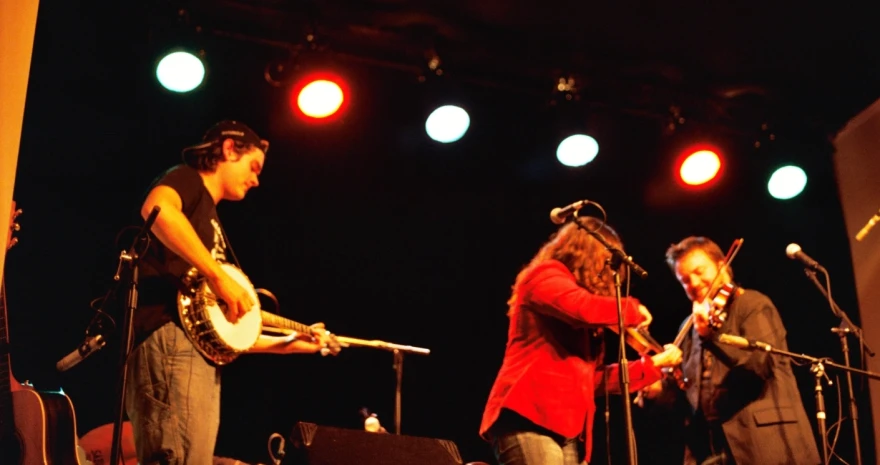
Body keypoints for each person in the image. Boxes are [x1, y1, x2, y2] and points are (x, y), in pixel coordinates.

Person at [124, 120, 336, 465]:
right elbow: (157, 210)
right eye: (253, 166)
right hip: (170, 343)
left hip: (194, 354)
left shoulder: (211, 221)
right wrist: (218, 278)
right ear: (227, 150)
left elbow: (225, 332)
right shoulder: (186, 179)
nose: (256, 179)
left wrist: (294, 344)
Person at [479, 217, 683, 465]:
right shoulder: (544, 276)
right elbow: (582, 308)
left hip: (566, 429)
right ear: (589, 255)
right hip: (529, 416)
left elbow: (593, 380)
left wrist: (651, 365)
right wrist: (633, 309)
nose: (610, 274)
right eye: (606, 263)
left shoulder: (584, 322)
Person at [641, 236, 820, 465]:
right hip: (711, 448)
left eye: (699, 271)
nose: (694, 283)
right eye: (685, 280)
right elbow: (688, 395)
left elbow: (758, 364)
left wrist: (711, 336)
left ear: (721, 266)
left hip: (763, 443)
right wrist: (657, 389)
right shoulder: (690, 327)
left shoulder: (752, 305)